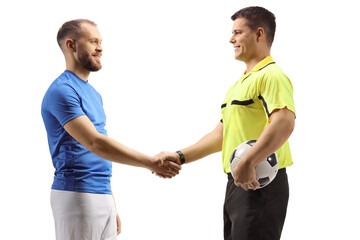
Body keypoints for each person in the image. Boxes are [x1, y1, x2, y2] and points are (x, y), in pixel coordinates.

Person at [156, 6, 296, 240]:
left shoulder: (271, 75)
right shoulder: (240, 84)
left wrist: (249, 161)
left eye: (238, 32)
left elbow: (284, 122)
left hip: (261, 184)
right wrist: (179, 156)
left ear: (259, 34)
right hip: (239, 182)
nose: (231, 39)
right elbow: (221, 134)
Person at [41, 19, 181, 240]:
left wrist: (110, 201)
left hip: (100, 193)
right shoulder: (61, 91)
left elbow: (96, 151)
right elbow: (95, 142)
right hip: (77, 194)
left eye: (100, 42)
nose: (100, 48)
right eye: (93, 42)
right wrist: (150, 162)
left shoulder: (92, 93)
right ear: (71, 45)